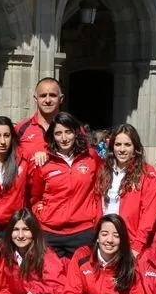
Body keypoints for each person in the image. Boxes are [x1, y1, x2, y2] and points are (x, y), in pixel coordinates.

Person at [28, 111, 102, 263]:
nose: (64, 138)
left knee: (82, 280)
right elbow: (35, 195)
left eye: (68, 132)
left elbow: (100, 188)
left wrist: (95, 216)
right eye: (58, 133)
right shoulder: (44, 162)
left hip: (83, 231)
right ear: (52, 136)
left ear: (76, 133)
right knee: (51, 279)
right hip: (50, 233)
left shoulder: (91, 157)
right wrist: (40, 212)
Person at [95, 124, 156, 255]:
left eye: (127, 145)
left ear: (135, 147)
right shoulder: (104, 170)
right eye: (118, 144)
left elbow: (149, 213)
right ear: (112, 146)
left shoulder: (147, 174)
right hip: (105, 241)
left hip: (130, 243)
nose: (122, 149)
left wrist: (137, 245)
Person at [15, 78, 63, 158]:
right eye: (43, 96)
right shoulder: (21, 128)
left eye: (52, 95)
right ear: (35, 99)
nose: (48, 100)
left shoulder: (73, 128)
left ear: (61, 99)